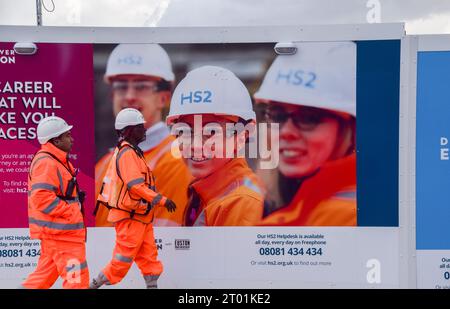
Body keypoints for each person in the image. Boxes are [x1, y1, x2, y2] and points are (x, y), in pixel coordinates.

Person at [254, 41, 357, 226]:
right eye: (277, 115)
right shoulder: (299, 203)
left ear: (351, 129)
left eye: (309, 118)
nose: (286, 132)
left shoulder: (343, 215)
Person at [95, 43, 191, 227]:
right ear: (112, 96)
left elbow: (165, 240)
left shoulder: (177, 159)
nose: (129, 96)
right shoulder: (104, 164)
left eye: (141, 87)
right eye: (121, 86)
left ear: (163, 98)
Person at [166, 65, 264, 226]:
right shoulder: (203, 193)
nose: (196, 146)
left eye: (211, 132)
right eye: (185, 131)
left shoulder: (242, 203)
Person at [90, 108, 176, 289]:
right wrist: (161, 200)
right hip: (130, 217)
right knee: (122, 260)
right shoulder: (128, 154)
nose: (144, 130)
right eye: (140, 127)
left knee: (149, 257)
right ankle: (93, 285)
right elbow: (135, 186)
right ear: (129, 130)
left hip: (139, 216)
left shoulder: (133, 152)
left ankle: (152, 286)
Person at [21, 116, 89, 289]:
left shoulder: (54, 160)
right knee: (76, 281)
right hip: (62, 236)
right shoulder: (47, 162)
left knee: (41, 279)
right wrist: (71, 212)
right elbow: (41, 197)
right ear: (56, 140)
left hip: (58, 234)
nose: (72, 139)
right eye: (67, 135)